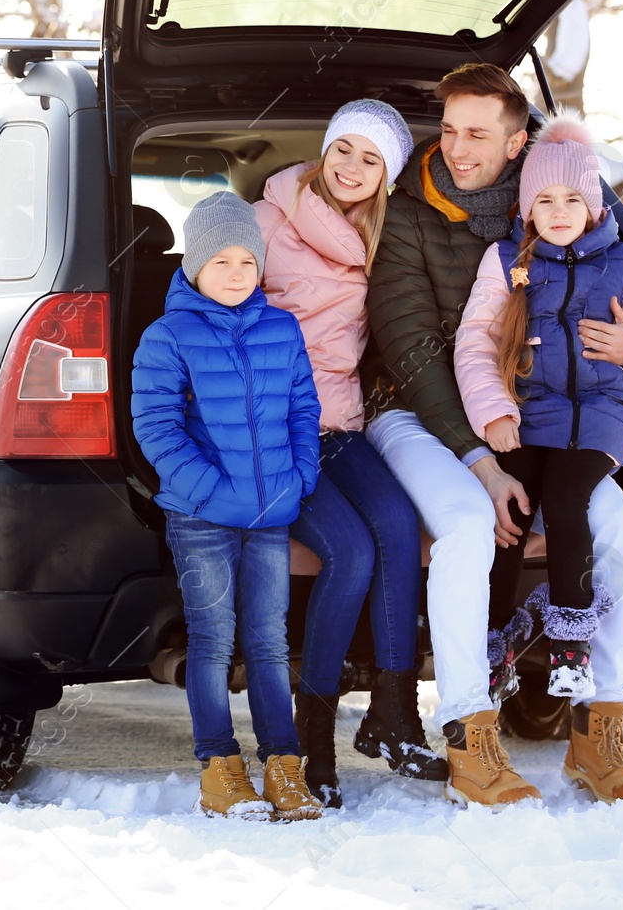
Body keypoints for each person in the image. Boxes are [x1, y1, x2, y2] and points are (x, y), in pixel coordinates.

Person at [362, 63, 623, 808]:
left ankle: (598, 728)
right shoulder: (408, 215)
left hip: (537, 423)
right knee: (466, 523)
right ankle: (469, 730)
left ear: (517, 141)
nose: (458, 148)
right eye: (450, 130)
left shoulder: (553, 205)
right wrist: (484, 462)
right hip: (414, 411)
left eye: (478, 134)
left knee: (612, 521)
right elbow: (413, 350)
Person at [452, 113, 623, 798]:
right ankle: (496, 648)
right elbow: (473, 343)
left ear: (594, 205)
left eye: (573, 201)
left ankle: (573, 660)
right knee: (508, 510)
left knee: (570, 506)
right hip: (531, 424)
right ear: (526, 207)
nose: (559, 214)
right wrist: (496, 416)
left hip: (602, 426)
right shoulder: (508, 263)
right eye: (544, 202)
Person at [252, 99, 446, 809]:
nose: (353, 168)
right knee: (352, 552)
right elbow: (209, 306)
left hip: (344, 426)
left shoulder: (385, 235)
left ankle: (392, 711)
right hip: (274, 430)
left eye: (371, 159)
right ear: (325, 150)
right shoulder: (270, 220)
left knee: (397, 525)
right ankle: (313, 733)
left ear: (387, 176)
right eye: (344, 151)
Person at [131, 191, 324, 821]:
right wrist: (212, 493)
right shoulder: (168, 336)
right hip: (201, 517)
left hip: (271, 515)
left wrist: (299, 477)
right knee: (213, 642)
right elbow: (157, 427)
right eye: (222, 262)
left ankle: (284, 768)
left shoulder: (281, 328)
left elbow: (303, 410)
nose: (236, 273)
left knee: (269, 642)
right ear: (193, 267)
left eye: (247, 260)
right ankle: (220, 768)